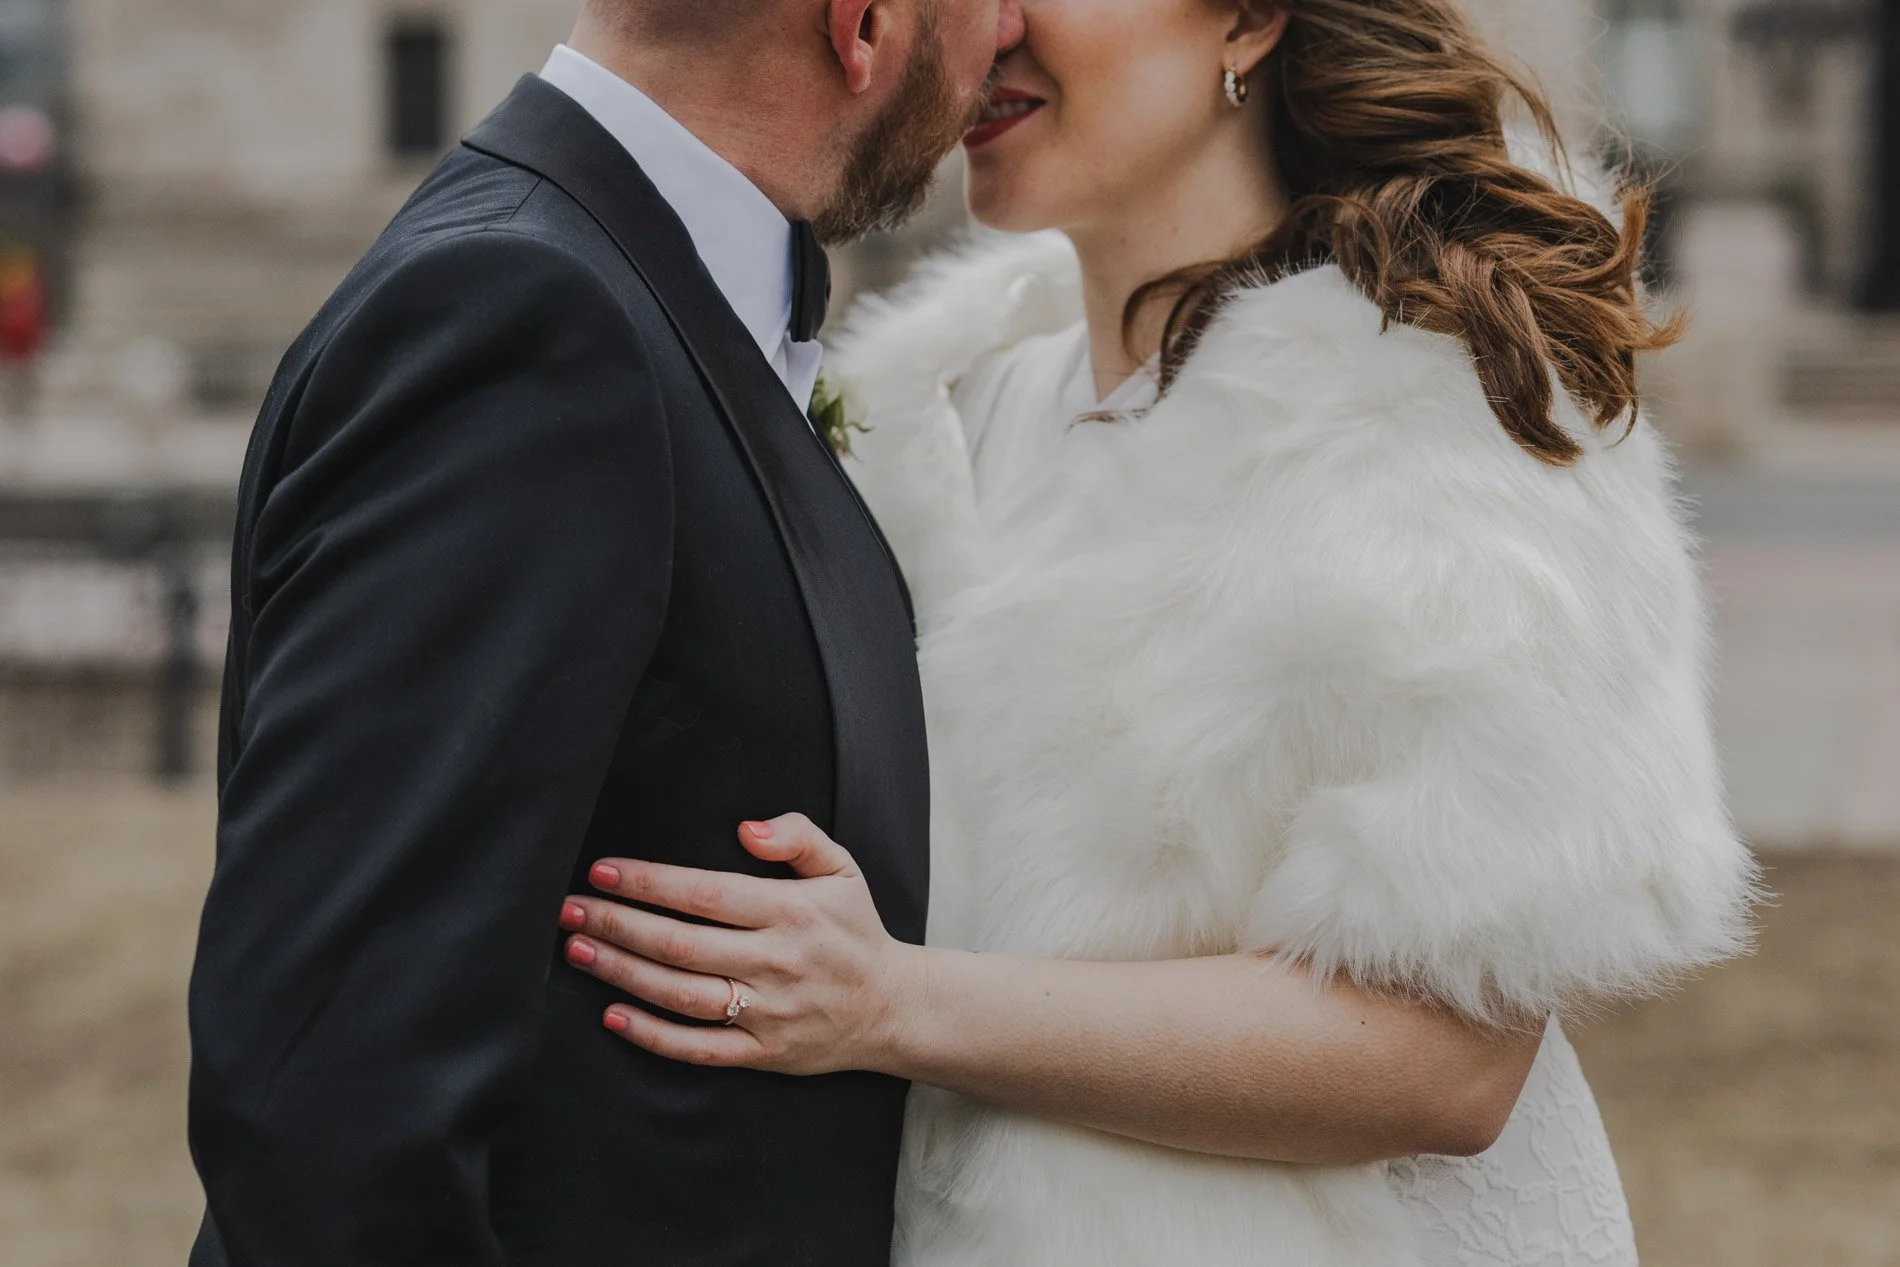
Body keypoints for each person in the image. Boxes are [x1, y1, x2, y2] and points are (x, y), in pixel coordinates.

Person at [555, 0, 1761, 1263]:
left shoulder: (1441, 414)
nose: (986, 22)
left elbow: (1445, 1061)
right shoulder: (940, 409)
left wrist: (893, 1005)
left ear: (1244, 21)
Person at [185, 1, 1023, 1263]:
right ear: (860, 27)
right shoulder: (523, 314)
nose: (1013, 29)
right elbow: (332, 1111)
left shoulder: (626, 287)